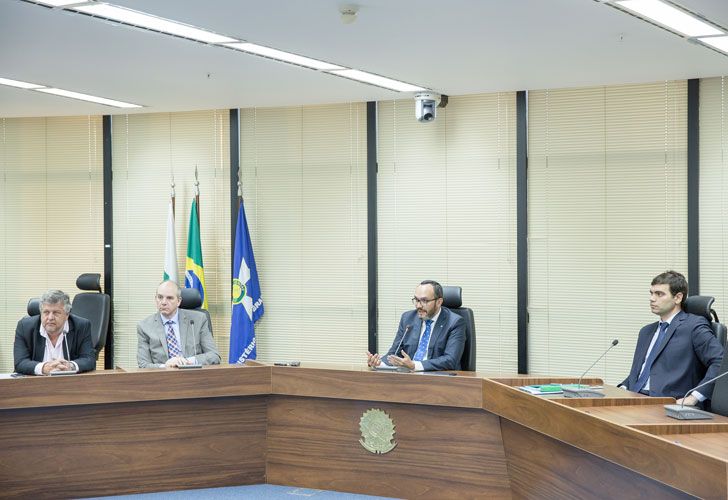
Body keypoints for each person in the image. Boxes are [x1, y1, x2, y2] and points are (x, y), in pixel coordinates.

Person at [621, 271, 724, 406]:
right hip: (633, 399)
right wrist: (621, 390)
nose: (652, 298)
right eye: (651, 293)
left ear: (678, 298)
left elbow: (720, 362)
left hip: (667, 403)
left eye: (659, 294)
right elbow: (640, 373)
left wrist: (694, 397)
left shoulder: (693, 326)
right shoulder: (646, 332)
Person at [367, 280, 465, 371]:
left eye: (424, 301)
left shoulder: (455, 322)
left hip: (439, 379)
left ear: (439, 302)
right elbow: (394, 352)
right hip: (410, 378)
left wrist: (414, 365)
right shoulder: (408, 318)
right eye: (417, 300)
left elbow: (450, 360)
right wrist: (379, 363)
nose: (418, 306)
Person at [137, 280, 221, 368]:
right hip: (163, 378)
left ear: (179, 301)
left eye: (169, 298)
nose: (163, 302)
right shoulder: (144, 326)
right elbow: (143, 365)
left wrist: (187, 361)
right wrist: (165, 366)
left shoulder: (198, 320)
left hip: (193, 376)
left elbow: (214, 356)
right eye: (160, 297)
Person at [14, 289, 96, 375]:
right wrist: (44, 368)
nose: (50, 317)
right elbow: (20, 363)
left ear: (67, 314)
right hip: (35, 383)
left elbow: (89, 359)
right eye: (46, 312)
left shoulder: (81, 326)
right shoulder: (25, 327)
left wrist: (70, 366)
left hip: (69, 382)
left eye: (56, 313)